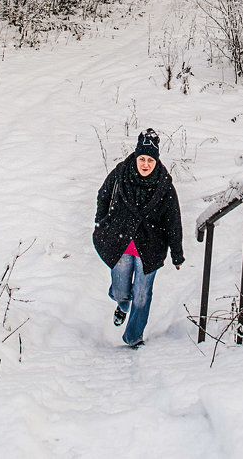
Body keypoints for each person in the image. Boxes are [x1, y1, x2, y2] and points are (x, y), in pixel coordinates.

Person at [92, 128, 184, 348]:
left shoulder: (165, 186)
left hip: (149, 248)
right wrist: (101, 221)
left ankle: (134, 337)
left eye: (150, 160)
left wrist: (177, 254)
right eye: (142, 159)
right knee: (121, 290)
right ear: (135, 157)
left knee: (142, 296)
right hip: (120, 242)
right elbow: (103, 196)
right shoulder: (120, 174)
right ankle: (122, 306)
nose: (145, 164)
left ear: (156, 161)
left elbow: (173, 221)